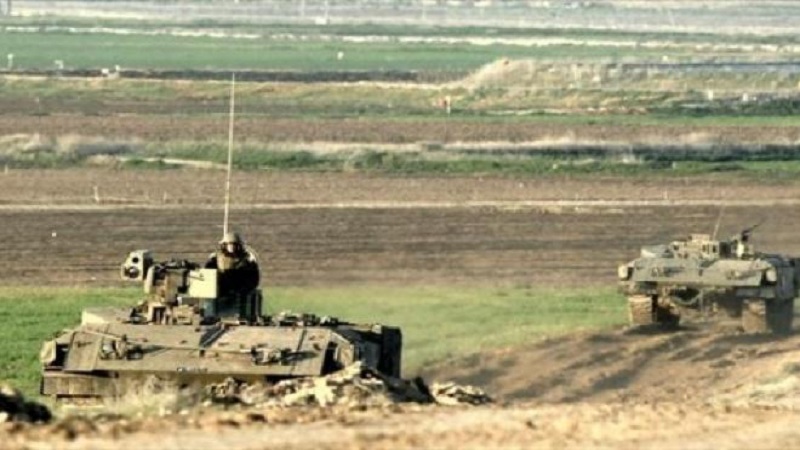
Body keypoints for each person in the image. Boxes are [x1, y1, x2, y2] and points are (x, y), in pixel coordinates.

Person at [205, 232, 260, 296]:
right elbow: (208, 274)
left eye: (234, 244)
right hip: (221, 292)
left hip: (239, 292)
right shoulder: (215, 258)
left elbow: (253, 279)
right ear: (224, 245)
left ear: (239, 246)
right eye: (229, 244)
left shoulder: (247, 259)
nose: (231, 247)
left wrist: (243, 290)